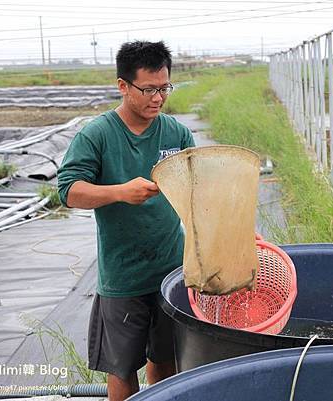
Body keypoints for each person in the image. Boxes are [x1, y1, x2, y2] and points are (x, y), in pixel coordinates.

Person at [57, 40, 194, 401]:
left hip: (169, 269)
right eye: (148, 89)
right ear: (123, 86)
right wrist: (119, 192)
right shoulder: (98, 134)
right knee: (121, 369)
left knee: (165, 360)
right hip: (123, 276)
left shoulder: (176, 134)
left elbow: (198, 189)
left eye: (164, 88)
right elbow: (69, 191)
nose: (158, 98)